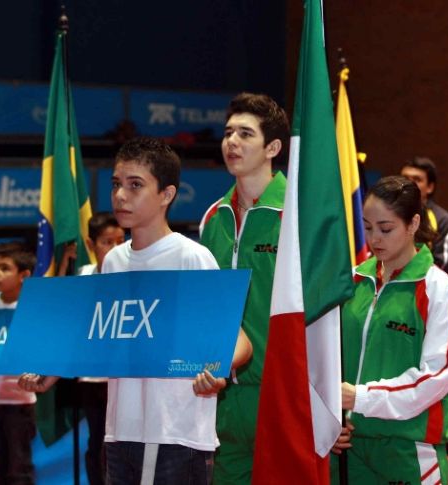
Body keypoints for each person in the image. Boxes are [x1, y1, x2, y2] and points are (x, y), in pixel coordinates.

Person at [21, 137, 252, 484]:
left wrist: (216, 371)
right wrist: (50, 370)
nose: (120, 195)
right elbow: (98, 336)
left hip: (175, 433)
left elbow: (239, 340)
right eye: (116, 184)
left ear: (167, 195)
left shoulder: (190, 257)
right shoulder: (113, 261)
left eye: (135, 185)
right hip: (121, 431)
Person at [330, 175, 448, 485]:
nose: (374, 239)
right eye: (367, 228)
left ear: (412, 224)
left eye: (386, 228)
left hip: (409, 452)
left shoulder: (440, 291)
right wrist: (328, 419)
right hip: (347, 448)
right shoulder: (350, 281)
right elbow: (322, 357)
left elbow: (438, 375)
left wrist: (360, 398)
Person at [198, 92, 289, 484]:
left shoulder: (297, 217)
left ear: (272, 147)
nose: (231, 142)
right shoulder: (212, 218)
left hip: (282, 395)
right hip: (221, 396)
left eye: (245, 134)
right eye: (228, 132)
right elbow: (206, 309)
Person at [36, 212, 126, 485]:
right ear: (91, 244)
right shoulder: (84, 276)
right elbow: (63, 312)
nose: (115, 248)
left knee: (121, 444)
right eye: (107, 242)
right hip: (90, 378)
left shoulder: (134, 273)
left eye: (121, 240)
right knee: (97, 441)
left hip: (124, 376)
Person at [0, 241, 38, 485]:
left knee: (18, 466)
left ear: (24, 275)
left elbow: (39, 350)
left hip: (19, 399)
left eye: (5, 268)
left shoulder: (33, 308)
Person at [401, 157, 448, 279]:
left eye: (417, 179)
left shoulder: (444, 222)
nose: (409, 184)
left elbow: (443, 271)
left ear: (430, 187)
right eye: (404, 179)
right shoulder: (388, 216)